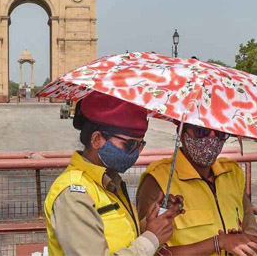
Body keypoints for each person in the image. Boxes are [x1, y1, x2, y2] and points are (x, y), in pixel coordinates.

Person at [44, 92, 182, 256]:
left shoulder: (109, 182)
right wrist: (151, 239)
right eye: (129, 144)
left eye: (140, 145)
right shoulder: (74, 194)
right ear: (96, 140)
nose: (136, 153)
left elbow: (123, 238)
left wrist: (152, 222)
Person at [136, 123, 257, 256]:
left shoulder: (233, 173)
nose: (212, 139)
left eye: (220, 133)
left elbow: (253, 238)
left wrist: (240, 241)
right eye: (201, 131)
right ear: (182, 134)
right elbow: (149, 252)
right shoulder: (157, 180)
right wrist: (219, 243)